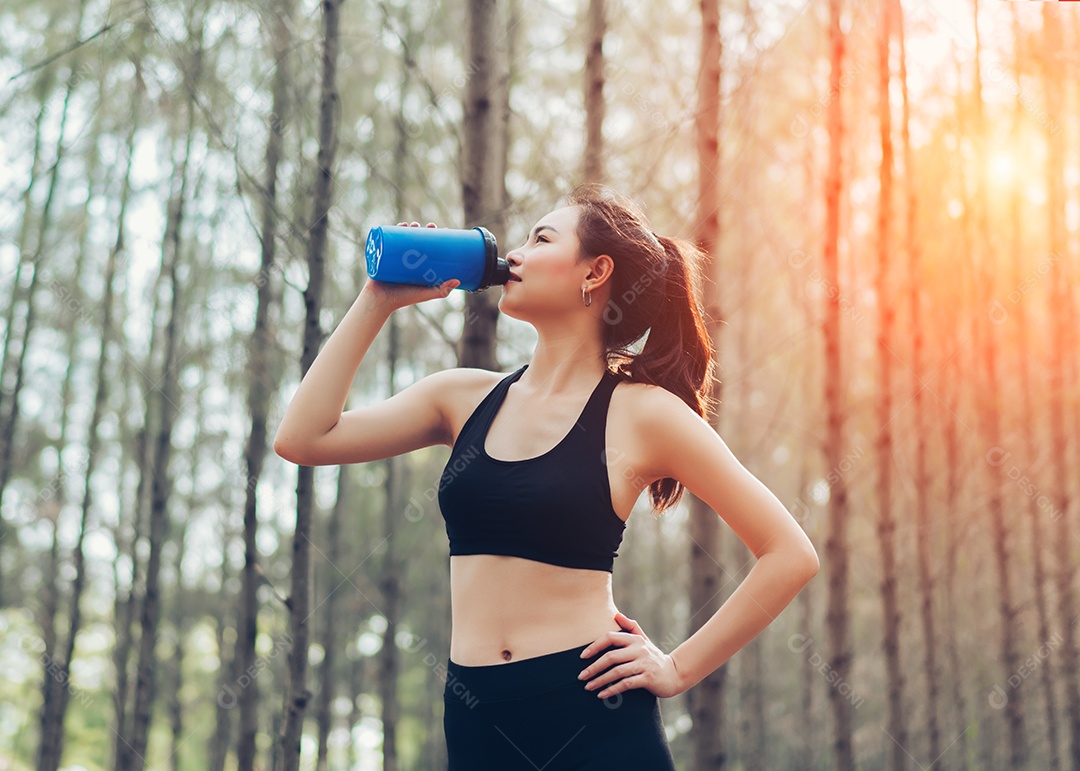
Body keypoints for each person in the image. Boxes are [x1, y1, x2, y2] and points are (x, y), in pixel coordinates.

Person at [273, 184, 819, 769]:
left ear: (596, 272)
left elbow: (789, 553)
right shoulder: (460, 397)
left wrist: (678, 667)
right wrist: (377, 299)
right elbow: (303, 439)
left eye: (542, 238)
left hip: (593, 716)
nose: (518, 254)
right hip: (476, 719)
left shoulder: (645, 413)